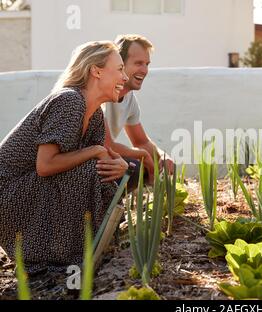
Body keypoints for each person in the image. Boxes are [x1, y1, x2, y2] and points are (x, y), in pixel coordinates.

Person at [0, 41, 129, 273]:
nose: (125, 77)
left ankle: (89, 247)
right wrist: (94, 152)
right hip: (8, 195)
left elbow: (100, 161)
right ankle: (61, 252)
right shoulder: (69, 101)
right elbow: (45, 165)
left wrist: (119, 165)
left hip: (30, 189)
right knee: (89, 171)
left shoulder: (95, 116)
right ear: (96, 70)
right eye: (119, 69)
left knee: (100, 173)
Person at [102, 34, 174, 189]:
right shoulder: (102, 93)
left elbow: (141, 141)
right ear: (120, 64)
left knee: (148, 164)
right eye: (138, 63)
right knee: (133, 168)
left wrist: (161, 156)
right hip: (82, 165)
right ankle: (105, 210)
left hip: (102, 158)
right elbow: (106, 145)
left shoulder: (129, 98)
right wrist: (143, 155)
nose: (145, 70)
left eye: (147, 64)